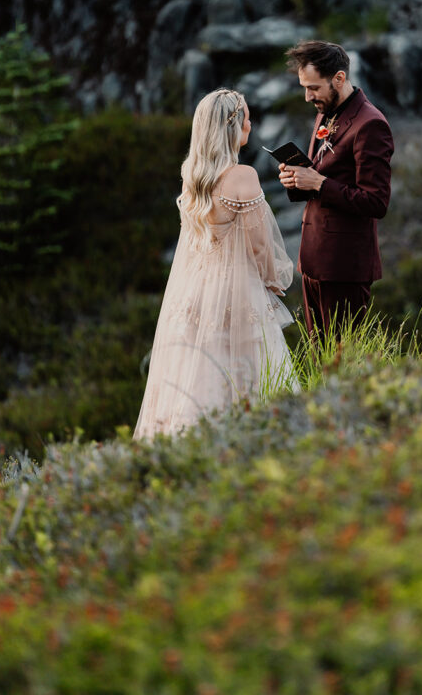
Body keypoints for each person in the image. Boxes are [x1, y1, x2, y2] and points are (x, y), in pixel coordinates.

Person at [134, 88, 295, 439]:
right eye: (246, 118)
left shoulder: (193, 177)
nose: (250, 125)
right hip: (238, 292)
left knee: (202, 371)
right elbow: (260, 245)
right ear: (231, 126)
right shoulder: (243, 176)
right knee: (249, 374)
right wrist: (274, 279)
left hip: (195, 295)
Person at [279, 40, 394, 341]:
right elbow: (322, 175)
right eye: (305, 87)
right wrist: (297, 181)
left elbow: (376, 201)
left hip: (345, 267)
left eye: (314, 87)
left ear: (339, 79)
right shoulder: (325, 112)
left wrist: (317, 183)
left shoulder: (371, 125)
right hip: (313, 260)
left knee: (344, 360)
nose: (307, 96)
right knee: (319, 358)